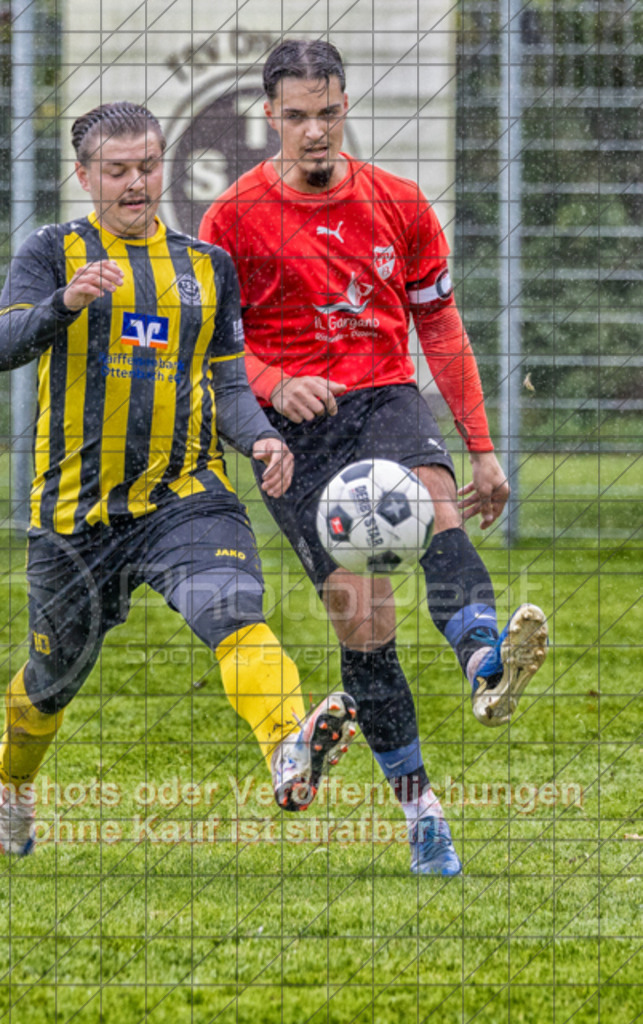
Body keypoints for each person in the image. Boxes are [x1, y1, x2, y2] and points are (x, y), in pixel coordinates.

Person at [200, 40, 549, 876]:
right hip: (293, 432)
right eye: (296, 117)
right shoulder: (232, 219)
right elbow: (212, 350)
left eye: (327, 113)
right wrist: (275, 384)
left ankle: (484, 658)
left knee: (432, 502)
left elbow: (441, 329)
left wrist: (481, 449)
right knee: (363, 620)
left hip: (384, 397)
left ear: (344, 106)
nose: (314, 131)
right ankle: (420, 811)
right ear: (269, 115)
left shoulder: (398, 203)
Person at [0, 101, 358, 856]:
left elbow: (228, 383)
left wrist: (260, 440)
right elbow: (2, 348)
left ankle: (289, 742)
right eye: (117, 170)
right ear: (84, 176)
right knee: (51, 681)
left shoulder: (206, 267)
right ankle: (12, 784)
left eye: (148, 167)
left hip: (184, 495)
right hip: (76, 513)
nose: (136, 183)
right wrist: (66, 303)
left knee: (233, 612)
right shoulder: (52, 251)